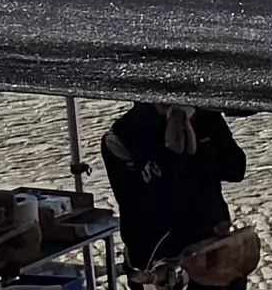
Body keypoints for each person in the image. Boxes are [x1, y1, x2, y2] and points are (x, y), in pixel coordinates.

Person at [104, 101, 253, 271]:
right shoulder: (122, 136)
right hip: (160, 255)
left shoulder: (205, 117)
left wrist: (199, 144)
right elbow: (139, 203)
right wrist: (172, 153)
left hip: (212, 246)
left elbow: (236, 169)